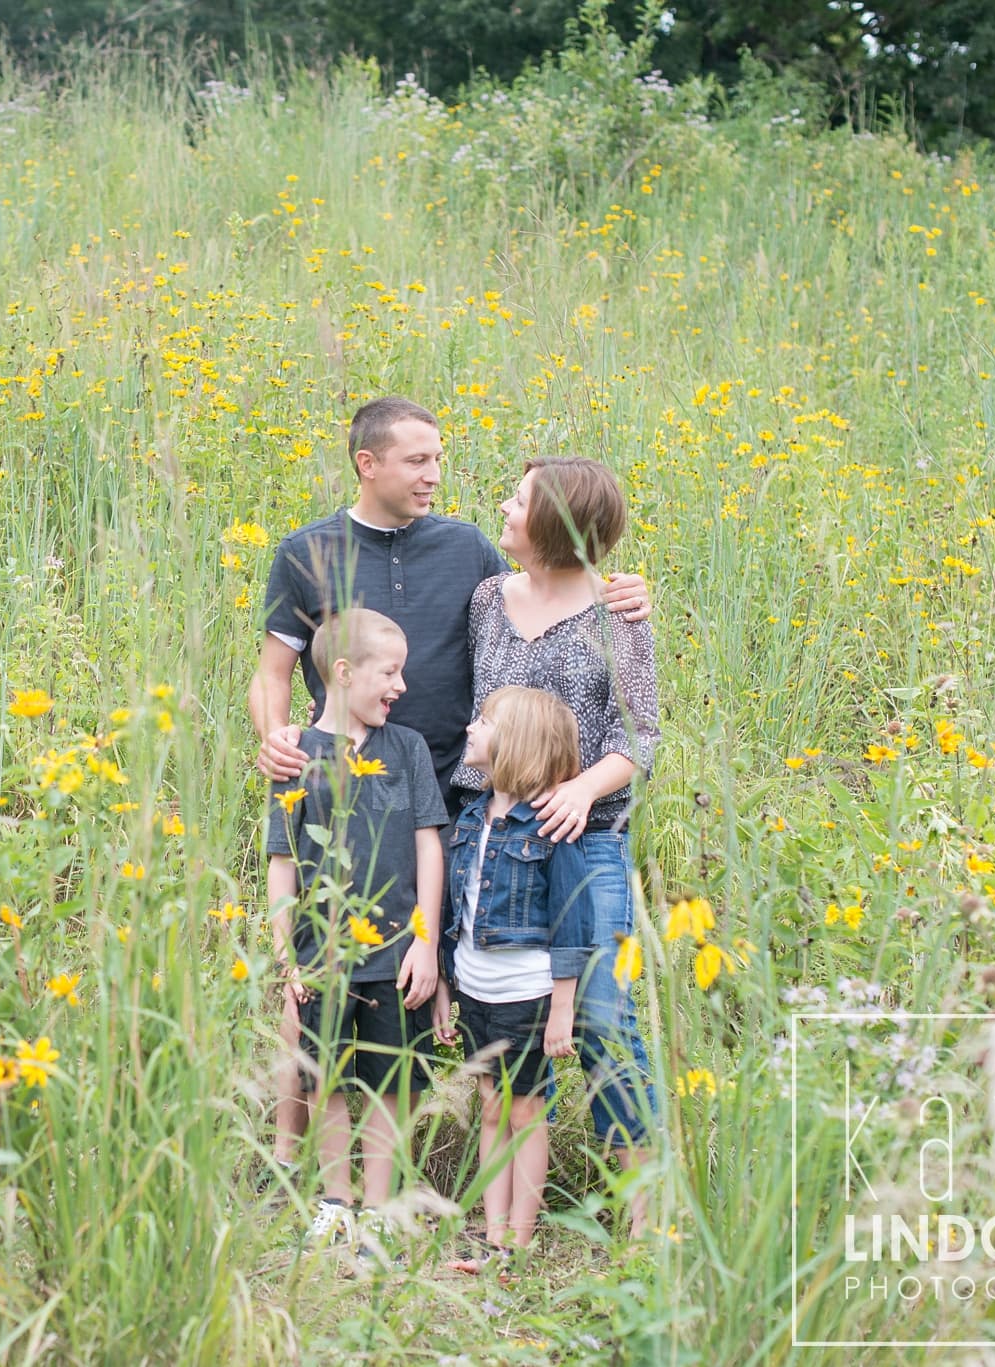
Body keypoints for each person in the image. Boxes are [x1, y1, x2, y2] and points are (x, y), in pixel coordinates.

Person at [248, 397, 650, 1182]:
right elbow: (271, 673)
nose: (437, 474)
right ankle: (287, 1160)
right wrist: (275, 735)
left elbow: (550, 589)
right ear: (368, 464)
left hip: (459, 802)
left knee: (438, 981)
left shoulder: (468, 550)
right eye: (419, 460)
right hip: (346, 796)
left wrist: (624, 593)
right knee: (315, 977)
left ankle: (435, 1168)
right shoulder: (307, 552)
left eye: (439, 458)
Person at [448, 455, 660, 1239]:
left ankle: (645, 1217)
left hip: (582, 838)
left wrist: (580, 790)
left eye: (519, 499)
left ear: (555, 523)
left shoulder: (618, 612)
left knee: (604, 1014)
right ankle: (501, 1208)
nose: (503, 507)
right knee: (481, 1000)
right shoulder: (485, 600)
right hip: (492, 834)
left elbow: (640, 735)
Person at [265, 608, 446, 1271]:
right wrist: (286, 956)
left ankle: (378, 1207)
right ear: (343, 673)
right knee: (331, 1080)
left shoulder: (407, 749)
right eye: (390, 672)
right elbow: (282, 862)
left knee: (390, 1082)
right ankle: (335, 1202)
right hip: (323, 957)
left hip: (398, 953)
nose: (400, 685)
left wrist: (426, 942)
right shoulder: (297, 756)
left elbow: (430, 844)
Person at [431, 686, 593, 1275]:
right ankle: (491, 1230)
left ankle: (517, 1240)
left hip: (526, 995)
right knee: (491, 1106)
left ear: (516, 743)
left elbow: (576, 920)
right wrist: (447, 986)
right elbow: (459, 912)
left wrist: (562, 1009)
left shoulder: (550, 827)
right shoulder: (472, 816)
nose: (470, 728)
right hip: (474, 987)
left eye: (485, 721)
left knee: (525, 1112)